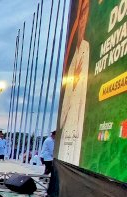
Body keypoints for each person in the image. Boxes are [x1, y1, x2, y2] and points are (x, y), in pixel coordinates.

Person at [59, 0, 89, 166]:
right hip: (68, 124)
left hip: (77, 126)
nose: (83, 20)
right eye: (81, 14)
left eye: (86, 13)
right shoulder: (72, 59)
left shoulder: (86, 48)